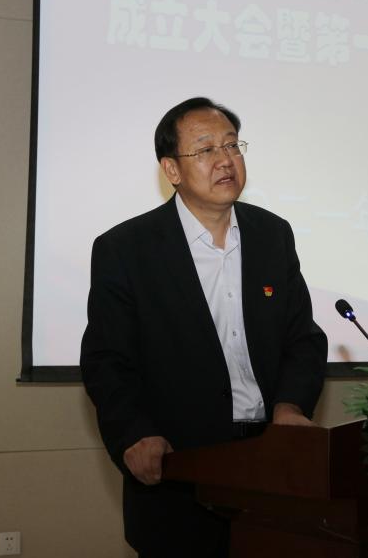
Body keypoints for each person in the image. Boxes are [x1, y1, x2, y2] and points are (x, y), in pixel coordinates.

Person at [81, 97, 327, 557]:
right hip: (180, 465)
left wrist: (290, 406)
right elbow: (107, 359)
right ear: (171, 169)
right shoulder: (127, 248)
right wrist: (133, 433)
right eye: (206, 149)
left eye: (232, 145)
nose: (225, 160)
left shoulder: (273, 235)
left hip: (268, 461)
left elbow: (303, 338)